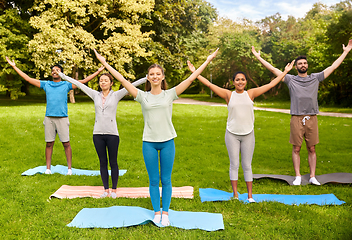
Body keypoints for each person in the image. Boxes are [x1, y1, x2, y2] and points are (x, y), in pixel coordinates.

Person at [94, 48, 218, 226]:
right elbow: (121, 79)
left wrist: (207, 60)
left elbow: (191, 79)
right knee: (153, 180)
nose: (154, 76)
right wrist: (105, 63)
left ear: (162, 77)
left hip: (168, 142)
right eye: (151, 74)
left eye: (157, 74)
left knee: (166, 180)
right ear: (148, 77)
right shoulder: (142, 96)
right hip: (149, 143)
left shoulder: (170, 94)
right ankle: (156, 212)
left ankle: (165, 213)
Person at [187, 59, 295, 202]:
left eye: (242, 79)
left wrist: (286, 72)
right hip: (232, 134)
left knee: (247, 165)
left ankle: (250, 196)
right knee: (234, 164)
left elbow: (271, 84)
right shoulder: (228, 95)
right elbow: (209, 84)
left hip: (248, 134)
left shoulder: (250, 94)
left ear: (245, 82)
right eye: (237, 80)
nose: (240, 82)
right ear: (233, 82)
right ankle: (236, 194)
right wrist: (195, 72)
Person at [252, 39, 352, 185]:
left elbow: (333, 67)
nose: (302, 65)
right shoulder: (290, 79)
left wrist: (346, 52)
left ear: (307, 65)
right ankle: (298, 176)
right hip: (296, 118)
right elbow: (274, 70)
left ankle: (312, 176)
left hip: (312, 118)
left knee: (312, 148)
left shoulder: (315, 78)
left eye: (304, 63)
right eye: (300, 63)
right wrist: (259, 57)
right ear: (296, 67)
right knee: (296, 148)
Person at [6, 57, 104, 175]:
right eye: (53, 70)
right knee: (49, 143)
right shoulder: (46, 84)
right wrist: (14, 66)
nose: (54, 71)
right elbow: (28, 78)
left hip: (62, 118)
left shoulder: (66, 85)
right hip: (49, 118)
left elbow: (82, 82)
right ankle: (48, 169)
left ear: (61, 73)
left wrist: (98, 72)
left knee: (66, 143)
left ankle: (69, 169)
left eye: (57, 69)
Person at [57, 70, 146, 198]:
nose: (103, 82)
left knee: (113, 162)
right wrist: (63, 76)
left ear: (111, 83)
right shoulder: (95, 95)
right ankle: (106, 189)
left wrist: (145, 78)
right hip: (97, 134)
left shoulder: (116, 95)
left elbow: (130, 85)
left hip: (112, 134)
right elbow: (80, 84)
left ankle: (114, 190)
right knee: (102, 162)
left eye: (105, 80)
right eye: (101, 81)